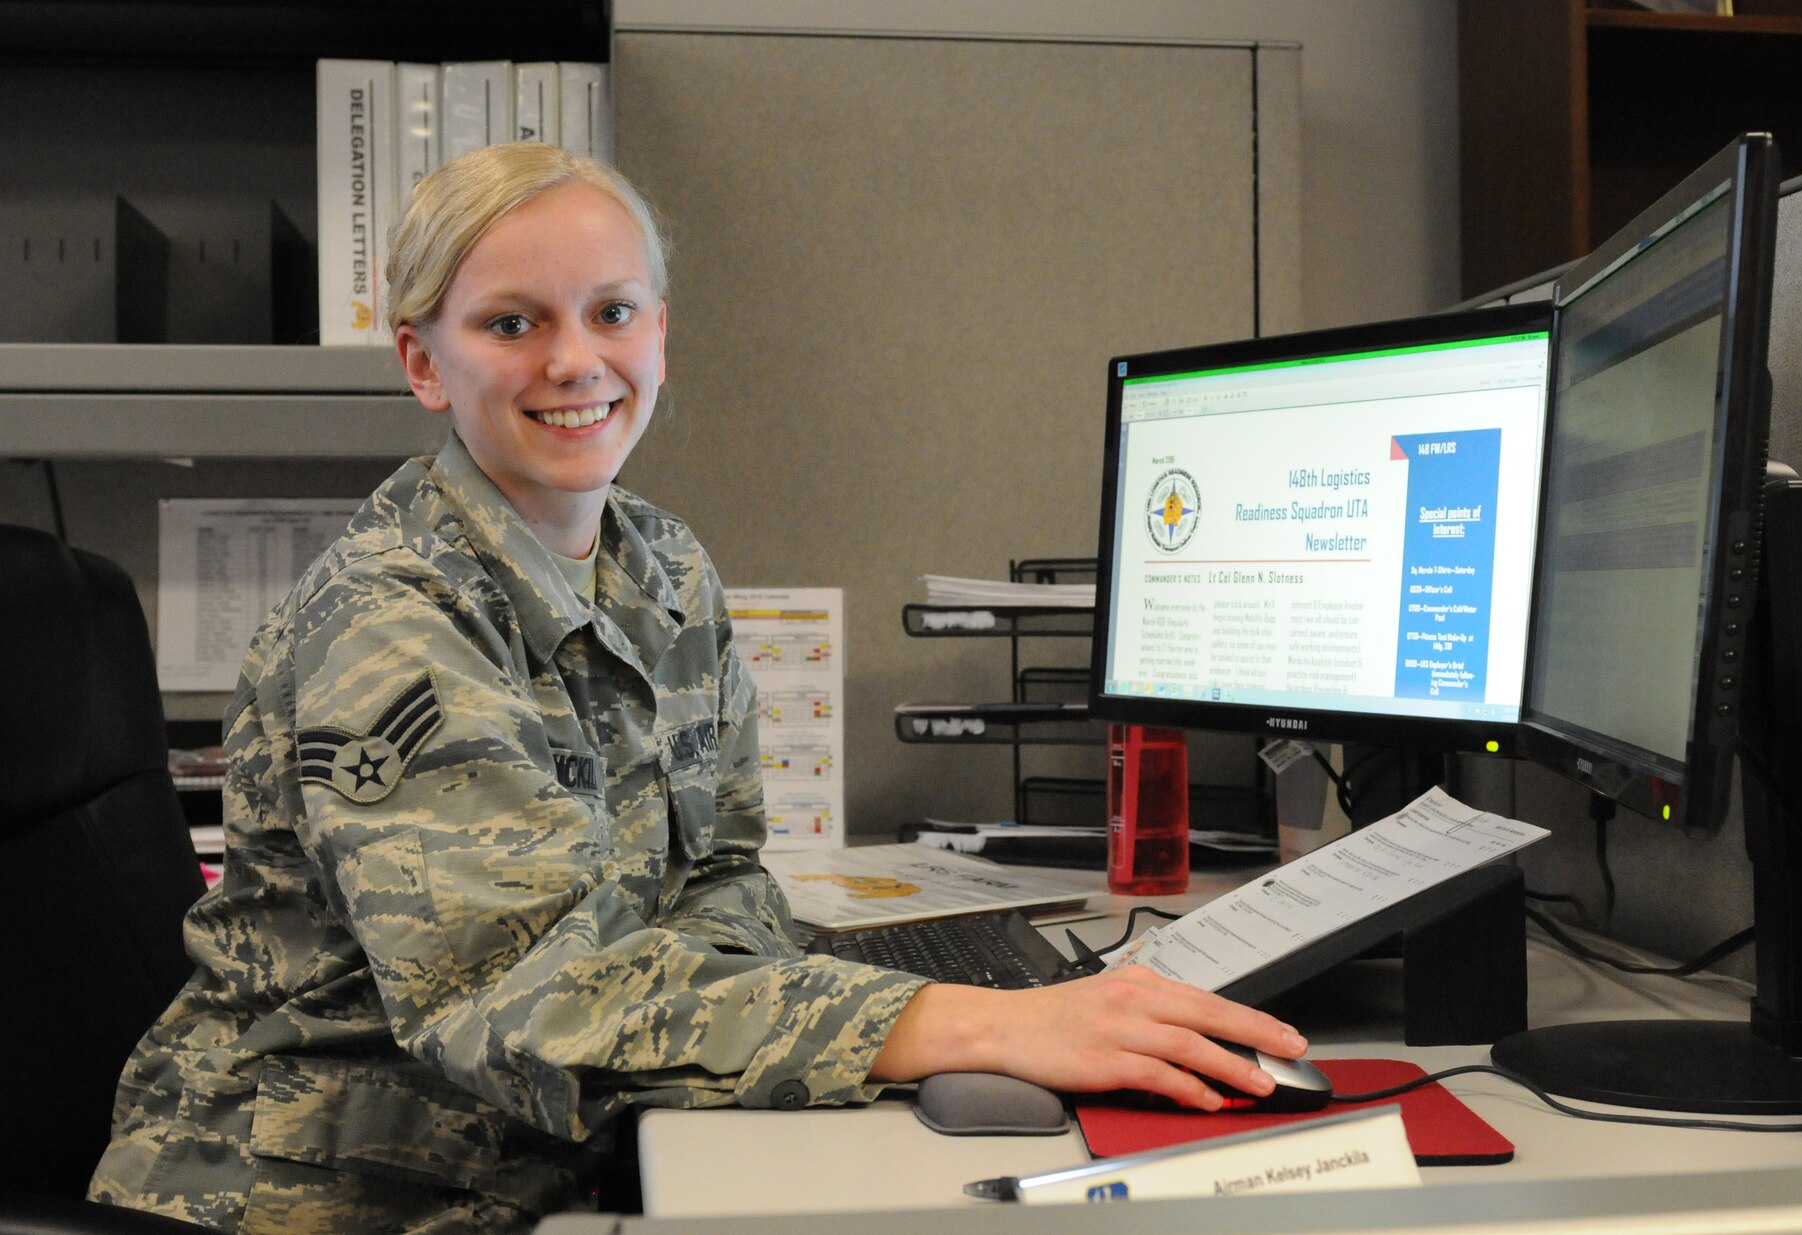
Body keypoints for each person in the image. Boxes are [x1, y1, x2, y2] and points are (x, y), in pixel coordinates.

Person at [88, 142, 1304, 1234]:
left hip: (550, 1157)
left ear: (659, 330)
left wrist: (859, 1006)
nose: (576, 361)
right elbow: (516, 1005)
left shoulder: (663, 565)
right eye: (510, 324)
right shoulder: (393, 620)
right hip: (325, 1194)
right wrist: (979, 1023)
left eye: (610, 311)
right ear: (422, 360)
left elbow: (716, 875)